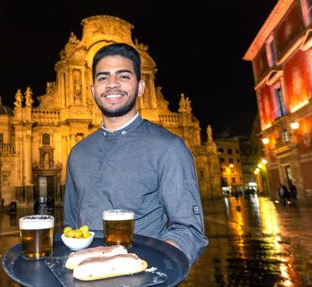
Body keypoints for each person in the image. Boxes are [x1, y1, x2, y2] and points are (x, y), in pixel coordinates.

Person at [63, 43, 208, 266]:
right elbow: (71, 224)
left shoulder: (169, 148)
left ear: (141, 87)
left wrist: (151, 270)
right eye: (103, 78)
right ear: (92, 89)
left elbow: (188, 230)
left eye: (123, 76)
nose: (112, 84)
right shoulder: (78, 152)